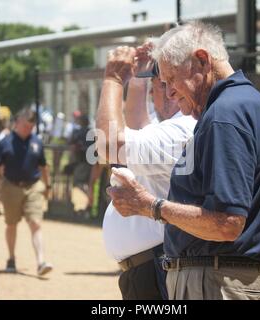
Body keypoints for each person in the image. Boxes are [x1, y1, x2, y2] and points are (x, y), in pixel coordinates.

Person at [108, 22, 260, 300]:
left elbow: (226, 223)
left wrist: (150, 206)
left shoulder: (225, 114)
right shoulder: (250, 104)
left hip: (220, 282)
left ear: (203, 60)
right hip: (231, 279)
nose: (169, 92)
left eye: (171, 80)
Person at [96, 42, 196, 300]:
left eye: (160, 83)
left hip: (158, 266)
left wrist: (114, 78)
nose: (155, 93)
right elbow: (137, 124)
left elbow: (110, 145)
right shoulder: (174, 125)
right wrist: (138, 76)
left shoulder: (184, 126)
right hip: (149, 267)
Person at [0, 108, 54, 276]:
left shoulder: (36, 142)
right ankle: (11, 258)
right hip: (11, 186)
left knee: (35, 222)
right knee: (11, 224)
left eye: (31, 127)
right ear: (17, 123)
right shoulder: (5, 142)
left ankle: (41, 262)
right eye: (25, 126)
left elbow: (43, 166)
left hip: (33, 187)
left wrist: (48, 186)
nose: (28, 130)